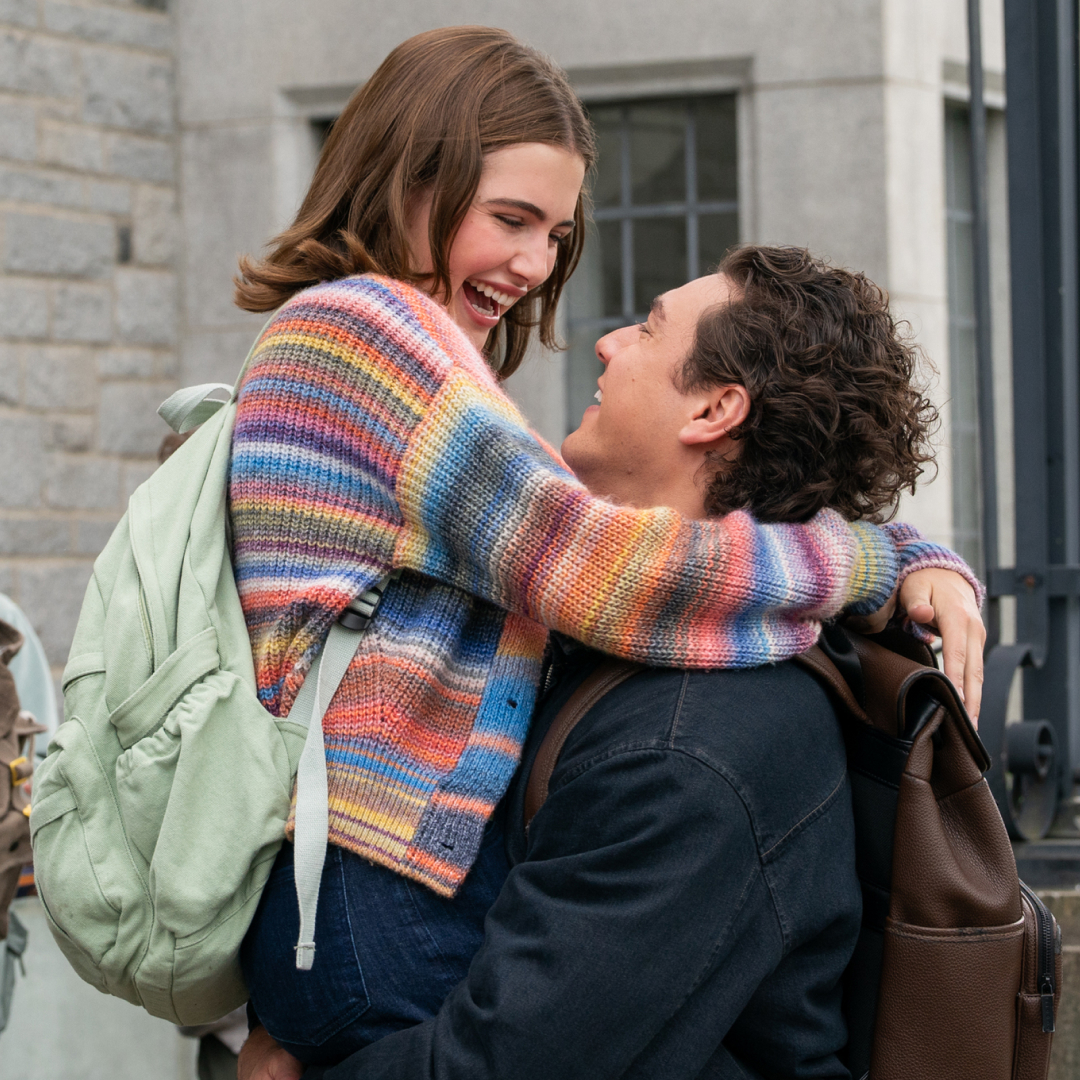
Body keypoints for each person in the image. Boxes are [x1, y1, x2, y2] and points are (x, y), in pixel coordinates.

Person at [228, 26, 982, 1069]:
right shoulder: (366, 336)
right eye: (511, 219)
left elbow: (611, 551)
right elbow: (612, 569)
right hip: (371, 879)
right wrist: (880, 559)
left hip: (375, 879)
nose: (538, 269)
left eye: (555, 234)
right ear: (413, 177)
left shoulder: (406, 360)